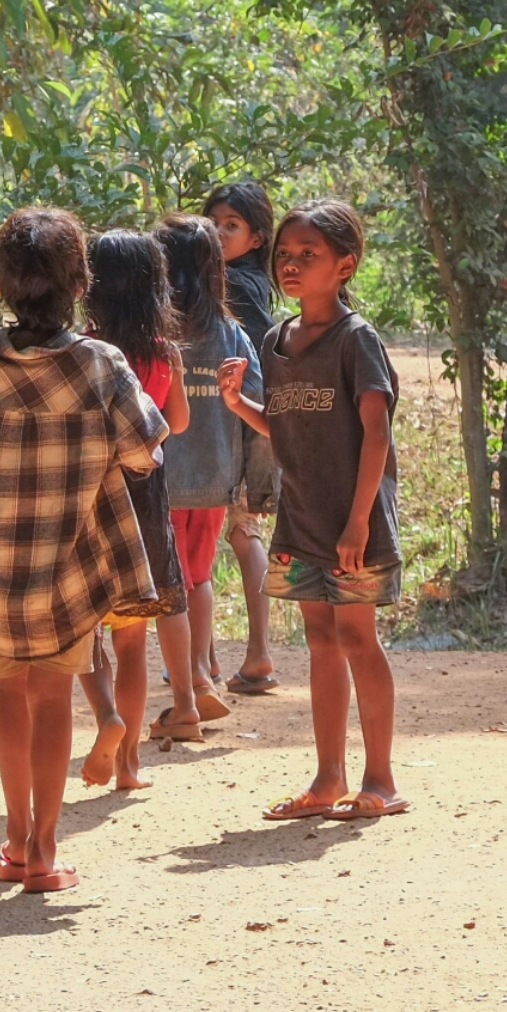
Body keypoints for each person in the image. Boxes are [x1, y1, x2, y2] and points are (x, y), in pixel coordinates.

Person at [0, 208, 167, 893]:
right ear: (79, 282)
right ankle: (44, 849)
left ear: (2, 285)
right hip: (69, 567)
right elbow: (143, 450)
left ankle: (11, 837)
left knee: (10, 696)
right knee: (54, 699)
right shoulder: (100, 363)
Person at [218, 199, 408, 821]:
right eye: (286, 257)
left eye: (310, 256)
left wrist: (359, 522)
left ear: (345, 265)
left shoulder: (358, 341)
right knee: (321, 640)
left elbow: (375, 435)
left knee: (357, 636)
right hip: (300, 521)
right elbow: (283, 425)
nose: (292, 267)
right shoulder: (275, 341)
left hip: (354, 522)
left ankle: (379, 781)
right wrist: (237, 403)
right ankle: (328, 780)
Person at [77, 229, 200, 788]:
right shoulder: (163, 353)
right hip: (144, 495)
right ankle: (129, 763)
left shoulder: (81, 348)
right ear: (156, 287)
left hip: (86, 494)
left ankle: (105, 715)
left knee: (86, 632)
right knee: (133, 640)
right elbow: (176, 424)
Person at [156, 212, 264, 719]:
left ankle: (188, 688)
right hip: (215, 480)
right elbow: (259, 402)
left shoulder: (151, 335)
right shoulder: (232, 334)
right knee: (198, 577)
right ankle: (200, 670)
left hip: (160, 482)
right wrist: (256, 484)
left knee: (168, 585)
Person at [200, 181, 281, 694]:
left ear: (256, 238)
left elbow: (249, 363)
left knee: (227, 531)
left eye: (232, 225)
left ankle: (238, 657)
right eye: (214, 223)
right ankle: (229, 658)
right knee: (225, 534)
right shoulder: (231, 281)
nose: (220, 232)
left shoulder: (238, 287)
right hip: (237, 422)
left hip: (229, 424)